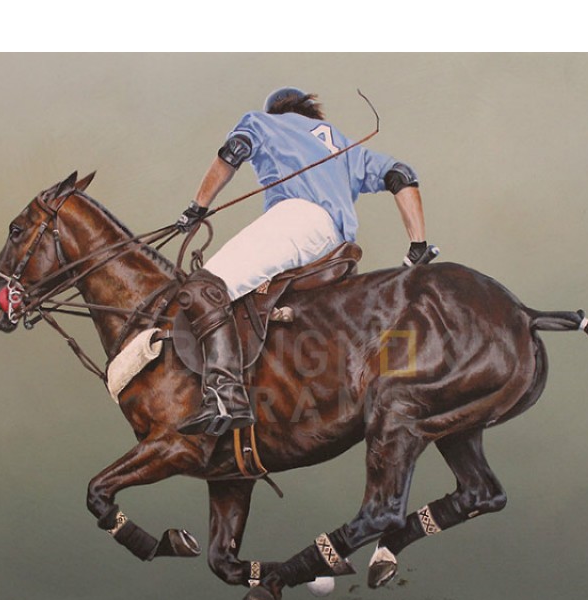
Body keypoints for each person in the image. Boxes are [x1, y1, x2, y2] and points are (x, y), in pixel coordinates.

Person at [175, 87, 427, 437]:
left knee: (203, 289)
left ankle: (224, 395)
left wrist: (197, 207)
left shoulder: (263, 122)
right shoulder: (344, 145)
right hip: (336, 245)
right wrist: (417, 245)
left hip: (297, 220)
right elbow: (401, 174)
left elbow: (234, 152)